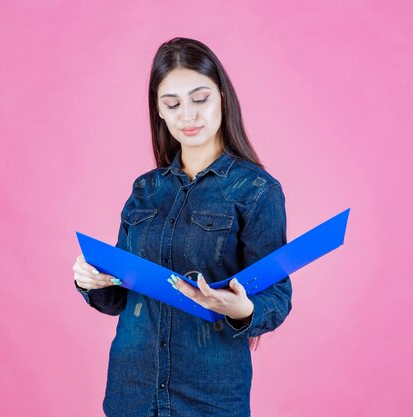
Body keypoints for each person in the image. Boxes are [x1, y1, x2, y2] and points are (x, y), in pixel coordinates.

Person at [72, 37, 293, 417]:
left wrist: (242, 309)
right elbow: (119, 297)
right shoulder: (146, 189)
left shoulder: (256, 190)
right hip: (132, 393)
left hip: (210, 398)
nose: (187, 116)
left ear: (223, 96)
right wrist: (91, 280)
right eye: (172, 105)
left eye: (200, 99)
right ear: (158, 111)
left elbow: (277, 298)